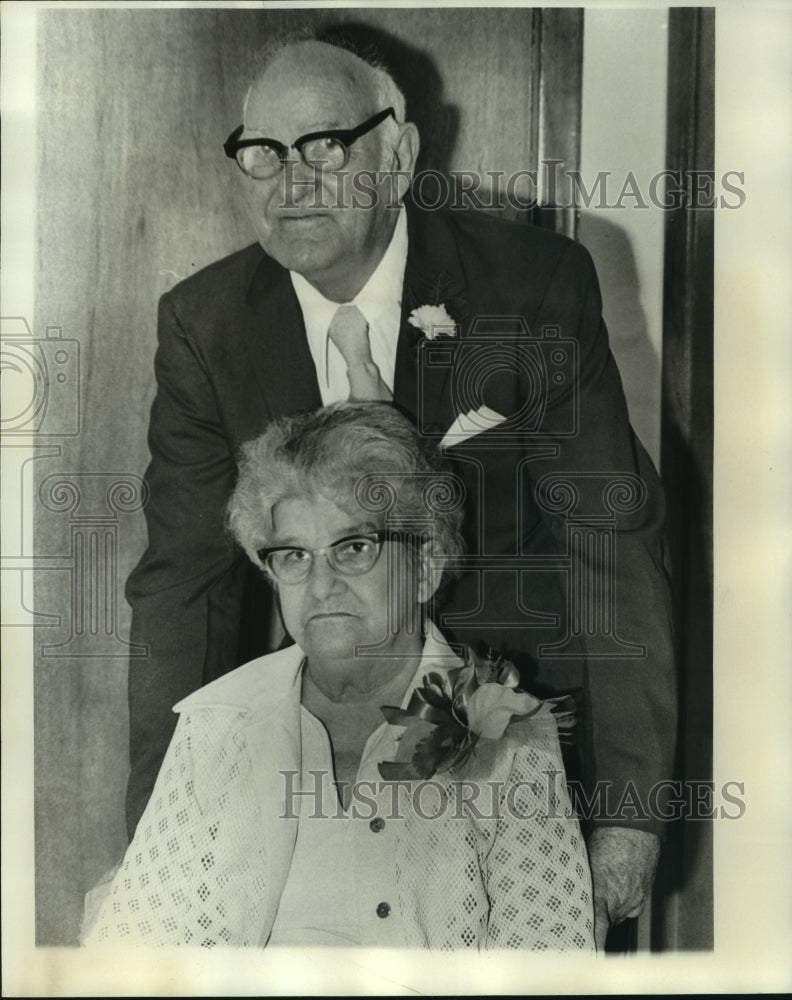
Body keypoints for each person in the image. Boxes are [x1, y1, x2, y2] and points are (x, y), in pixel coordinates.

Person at [125, 32, 676, 948]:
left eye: (328, 146)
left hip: (524, 747)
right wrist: (155, 832)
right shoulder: (205, 322)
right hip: (326, 751)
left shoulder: (532, 286)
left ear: (401, 154)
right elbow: (181, 589)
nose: (292, 183)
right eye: (263, 154)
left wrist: (629, 814)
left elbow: (610, 539)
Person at [85, 403, 594, 949]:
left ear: (426, 567)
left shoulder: (508, 730)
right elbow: (133, 955)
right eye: (295, 556)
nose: (321, 584)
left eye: (353, 548)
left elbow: (548, 962)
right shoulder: (217, 725)